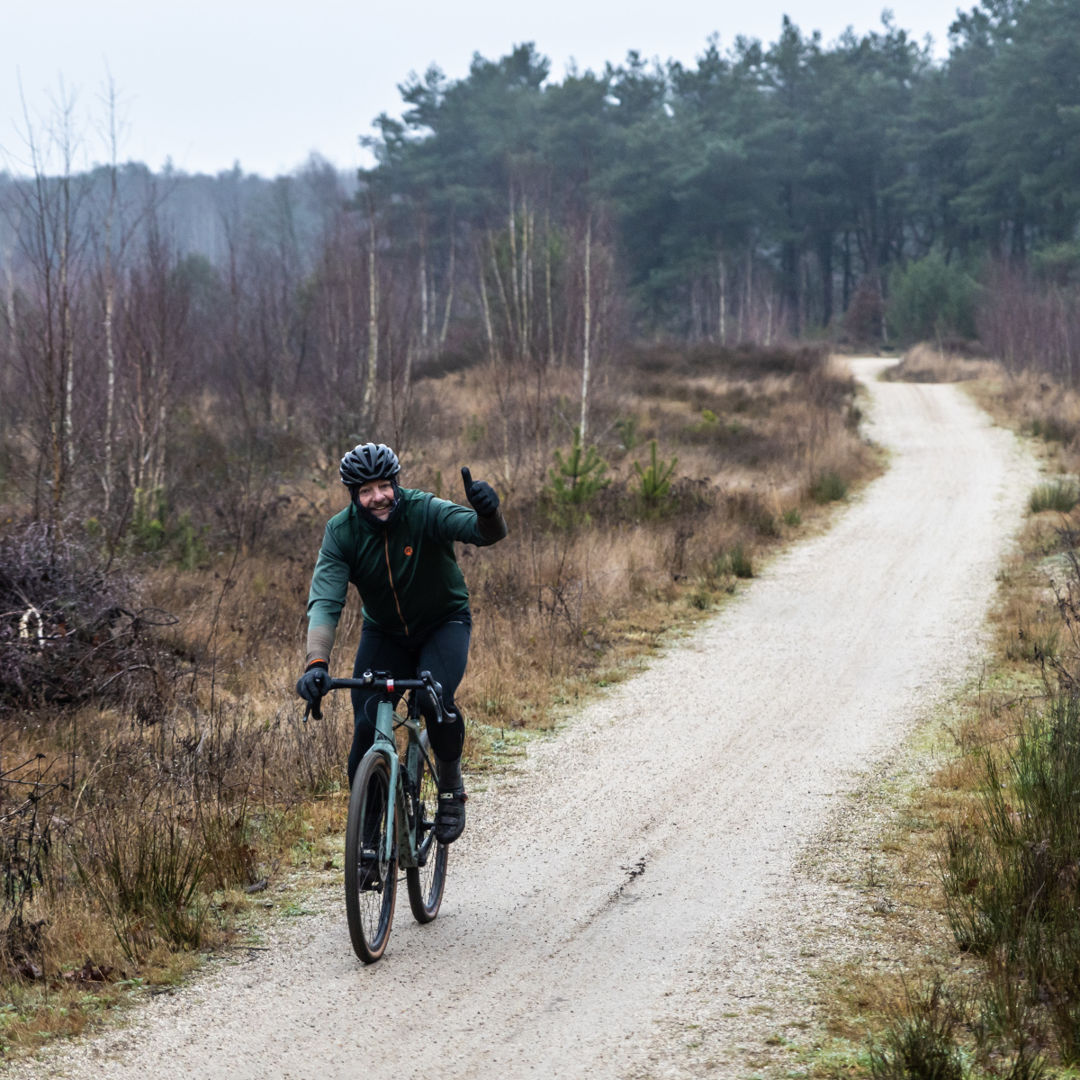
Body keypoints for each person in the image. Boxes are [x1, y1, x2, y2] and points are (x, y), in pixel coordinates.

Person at [295, 442, 507, 843]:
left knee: (433, 697)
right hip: (385, 633)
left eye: (383, 486)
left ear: (396, 483)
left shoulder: (424, 509)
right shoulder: (341, 533)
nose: (377, 497)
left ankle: (449, 787)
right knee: (365, 730)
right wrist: (316, 664)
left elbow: (482, 533)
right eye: (364, 491)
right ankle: (370, 839)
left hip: (444, 623)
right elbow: (325, 601)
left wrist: (488, 511)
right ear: (353, 496)